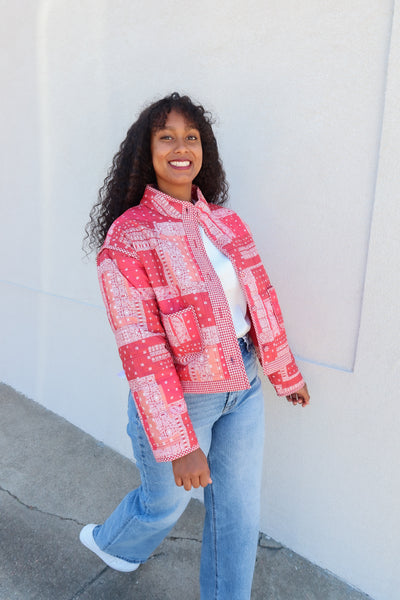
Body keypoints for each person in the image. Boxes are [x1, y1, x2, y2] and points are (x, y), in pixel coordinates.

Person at [81, 92, 310, 599]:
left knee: (238, 511)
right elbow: (141, 347)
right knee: (165, 504)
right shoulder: (128, 236)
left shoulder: (227, 223)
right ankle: (113, 542)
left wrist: (284, 372)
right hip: (181, 396)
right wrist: (182, 443)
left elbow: (260, 301)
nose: (181, 147)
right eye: (167, 137)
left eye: (192, 137)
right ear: (147, 151)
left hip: (244, 384)